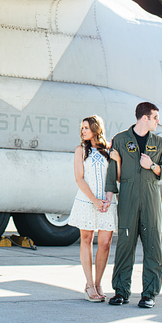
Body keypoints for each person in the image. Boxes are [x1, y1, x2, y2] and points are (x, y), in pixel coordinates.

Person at [105, 101, 162, 309]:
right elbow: (112, 171)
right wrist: (109, 196)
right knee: (125, 245)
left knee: (153, 245)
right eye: (155, 118)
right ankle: (121, 291)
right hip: (127, 196)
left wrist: (152, 166)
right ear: (145, 117)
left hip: (151, 197)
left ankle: (149, 294)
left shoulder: (159, 143)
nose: (158, 122)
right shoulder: (120, 140)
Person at [66, 115, 116, 302]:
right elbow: (79, 178)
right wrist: (94, 200)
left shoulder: (109, 150)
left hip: (107, 202)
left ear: (96, 128)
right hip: (87, 200)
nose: (83, 131)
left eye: (86, 127)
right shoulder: (80, 150)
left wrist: (107, 198)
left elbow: (115, 177)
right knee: (86, 239)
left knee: (105, 243)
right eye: (82, 128)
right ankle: (89, 284)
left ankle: (98, 282)